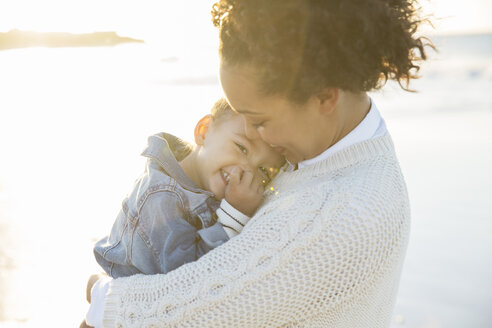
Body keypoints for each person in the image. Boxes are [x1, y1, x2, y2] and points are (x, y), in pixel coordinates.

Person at [84, 0, 432, 327]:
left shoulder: (340, 214)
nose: (253, 136)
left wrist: (101, 296)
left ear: (325, 96)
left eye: (260, 120)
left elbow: (191, 311)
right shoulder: (333, 149)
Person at [92, 98, 284, 279]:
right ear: (204, 131)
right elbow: (186, 282)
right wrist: (235, 213)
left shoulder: (204, 185)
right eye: (241, 148)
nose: (247, 171)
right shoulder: (161, 197)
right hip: (123, 305)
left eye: (263, 171)